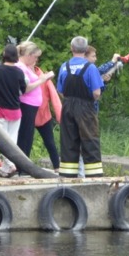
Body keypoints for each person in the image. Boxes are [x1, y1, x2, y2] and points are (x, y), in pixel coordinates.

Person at [56, 36, 105, 179]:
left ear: (72, 49)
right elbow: (96, 92)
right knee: (90, 140)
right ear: (85, 49)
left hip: (68, 106)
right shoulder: (90, 68)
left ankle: (67, 176)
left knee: (68, 141)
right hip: (85, 107)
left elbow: (60, 90)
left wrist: (69, 100)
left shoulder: (64, 66)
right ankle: (94, 177)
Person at [15, 41, 58, 172]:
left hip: (36, 108)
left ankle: (25, 166)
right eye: (35, 57)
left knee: (30, 137)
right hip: (26, 105)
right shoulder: (21, 67)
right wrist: (42, 80)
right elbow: (25, 88)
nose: (37, 60)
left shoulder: (27, 67)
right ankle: (22, 167)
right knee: (25, 137)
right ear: (29, 55)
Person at [0, 43, 26, 178]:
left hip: (0, 109)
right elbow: (23, 89)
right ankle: (5, 170)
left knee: (2, 141)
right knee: (12, 140)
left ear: (4, 55)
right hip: (15, 110)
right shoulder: (19, 72)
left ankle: (10, 164)